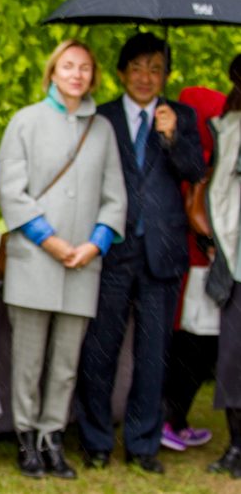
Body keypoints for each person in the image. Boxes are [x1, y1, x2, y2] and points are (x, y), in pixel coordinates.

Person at [76, 32, 205, 474]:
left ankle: (143, 442)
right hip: (111, 249)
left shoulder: (181, 116)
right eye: (137, 68)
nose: (146, 77)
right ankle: (94, 439)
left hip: (164, 252)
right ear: (121, 73)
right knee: (100, 350)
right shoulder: (101, 117)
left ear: (166, 75)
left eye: (155, 68)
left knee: (154, 355)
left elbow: (195, 170)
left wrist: (171, 137)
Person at [0, 40, 126, 479]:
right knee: (28, 362)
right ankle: (25, 439)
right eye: (68, 66)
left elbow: (115, 199)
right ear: (52, 72)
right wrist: (50, 241)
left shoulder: (103, 129)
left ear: (93, 76)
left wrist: (94, 245)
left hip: (83, 265)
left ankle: (53, 438)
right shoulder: (25, 122)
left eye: (85, 67)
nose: (76, 74)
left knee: (66, 364)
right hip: (36, 259)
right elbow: (11, 191)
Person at [158, 85, 225, 452]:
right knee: (195, 345)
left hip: (197, 261)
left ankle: (174, 418)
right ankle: (171, 418)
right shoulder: (201, 160)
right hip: (200, 262)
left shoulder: (199, 154)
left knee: (193, 344)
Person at [205, 53, 241, 480]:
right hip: (237, 262)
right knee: (233, 359)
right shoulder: (229, 129)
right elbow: (219, 194)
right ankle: (236, 444)